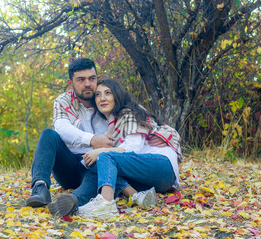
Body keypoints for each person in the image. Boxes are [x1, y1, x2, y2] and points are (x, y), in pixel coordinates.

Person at [48, 79, 181, 219]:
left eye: (107, 93)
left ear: (117, 95)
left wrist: (100, 151)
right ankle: (135, 196)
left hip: (162, 167)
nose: (102, 98)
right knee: (100, 166)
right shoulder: (112, 123)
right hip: (147, 180)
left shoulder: (129, 113)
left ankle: (106, 204)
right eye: (98, 95)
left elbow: (132, 148)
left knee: (105, 157)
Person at [26, 58, 114, 212]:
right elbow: (62, 128)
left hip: (96, 165)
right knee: (48, 135)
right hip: (69, 165)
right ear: (70, 83)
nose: (88, 84)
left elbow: (134, 114)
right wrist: (92, 140)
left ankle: (71, 202)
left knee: (101, 164)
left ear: (97, 79)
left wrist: (160, 133)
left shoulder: (107, 98)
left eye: (92, 79)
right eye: (81, 80)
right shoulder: (63, 101)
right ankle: (40, 188)